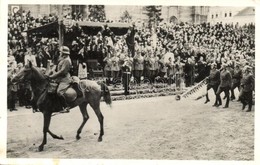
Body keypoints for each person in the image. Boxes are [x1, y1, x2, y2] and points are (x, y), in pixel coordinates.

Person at [49, 46, 72, 113]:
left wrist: (53, 76)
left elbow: (62, 71)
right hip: (60, 78)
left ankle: (66, 107)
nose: (60, 53)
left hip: (64, 79)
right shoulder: (63, 59)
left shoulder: (67, 60)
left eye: (61, 52)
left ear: (64, 53)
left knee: (59, 92)